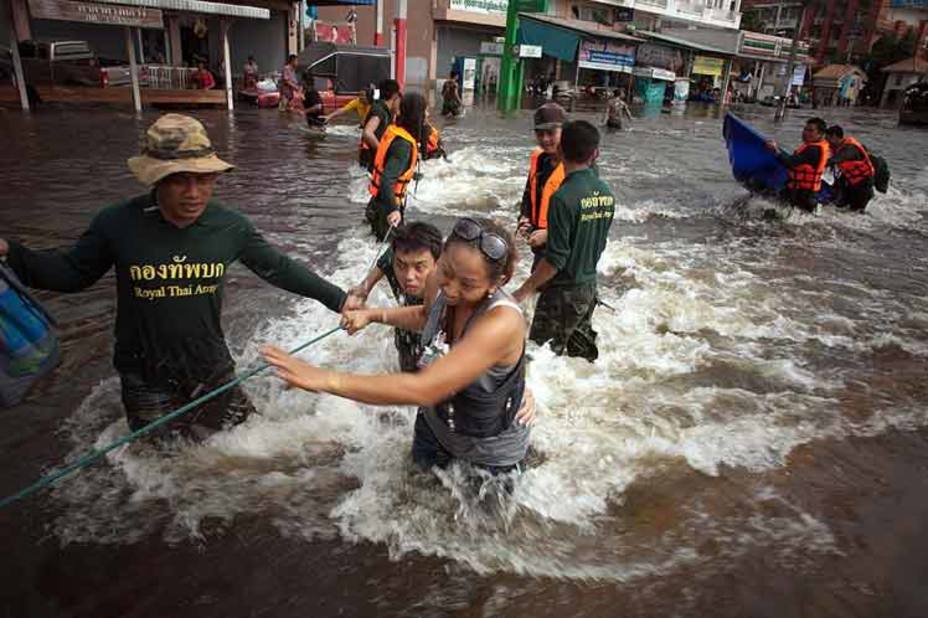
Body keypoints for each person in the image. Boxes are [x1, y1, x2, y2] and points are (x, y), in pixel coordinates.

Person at [0, 114, 361, 440]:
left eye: (204, 180)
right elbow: (71, 274)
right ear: (155, 178)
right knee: (160, 473)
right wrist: (9, 253)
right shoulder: (118, 223)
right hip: (145, 374)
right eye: (180, 181)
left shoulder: (229, 227)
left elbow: (279, 268)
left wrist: (341, 300)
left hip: (210, 365)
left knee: (245, 448)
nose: (194, 193)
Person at [263, 217, 534, 473]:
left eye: (467, 284)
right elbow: (427, 316)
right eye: (446, 271)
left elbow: (426, 388)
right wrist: (372, 315)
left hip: (489, 454)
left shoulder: (502, 320)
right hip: (434, 427)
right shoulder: (437, 281)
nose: (449, 289)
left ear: (498, 282)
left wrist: (324, 379)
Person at [513, 120, 615, 363]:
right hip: (588, 289)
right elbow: (599, 244)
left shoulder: (563, 198)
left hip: (561, 294)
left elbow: (555, 260)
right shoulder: (605, 193)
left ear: (560, 151)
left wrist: (522, 291)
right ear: (596, 154)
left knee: (537, 360)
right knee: (576, 361)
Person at [350, 222, 443, 372]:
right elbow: (386, 259)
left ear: (438, 264)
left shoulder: (450, 291)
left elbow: (426, 316)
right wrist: (362, 291)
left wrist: (370, 315)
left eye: (419, 267)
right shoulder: (394, 258)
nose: (408, 276)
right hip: (405, 336)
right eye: (401, 266)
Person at [366, 92, 426, 241]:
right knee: (398, 256)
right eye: (425, 110)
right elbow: (387, 180)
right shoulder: (403, 145)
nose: (427, 114)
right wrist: (394, 210)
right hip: (386, 211)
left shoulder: (399, 133)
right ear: (416, 114)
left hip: (379, 205)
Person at [518, 103, 568, 271]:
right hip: (541, 248)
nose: (545, 139)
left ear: (565, 131)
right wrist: (524, 218)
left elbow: (584, 218)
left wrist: (549, 235)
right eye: (540, 134)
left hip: (564, 253)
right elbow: (528, 195)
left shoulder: (578, 166)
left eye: (551, 133)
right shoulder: (540, 160)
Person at [765, 117, 830, 213]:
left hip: (803, 195)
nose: (805, 132)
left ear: (820, 134)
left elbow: (790, 163)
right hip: (803, 192)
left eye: (811, 130)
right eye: (805, 129)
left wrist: (775, 150)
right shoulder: (815, 147)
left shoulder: (813, 150)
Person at [825, 125, 875, 212]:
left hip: (863, 185)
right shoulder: (838, 148)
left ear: (834, 136)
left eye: (827, 139)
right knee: (839, 206)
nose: (826, 142)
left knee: (856, 211)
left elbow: (836, 159)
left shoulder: (850, 148)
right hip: (850, 182)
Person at [359, 79, 402, 171]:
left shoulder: (384, 110)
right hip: (372, 160)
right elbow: (367, 133)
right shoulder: (380, 111)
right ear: (395, 95)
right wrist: (382, 151)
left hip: (373, 160)